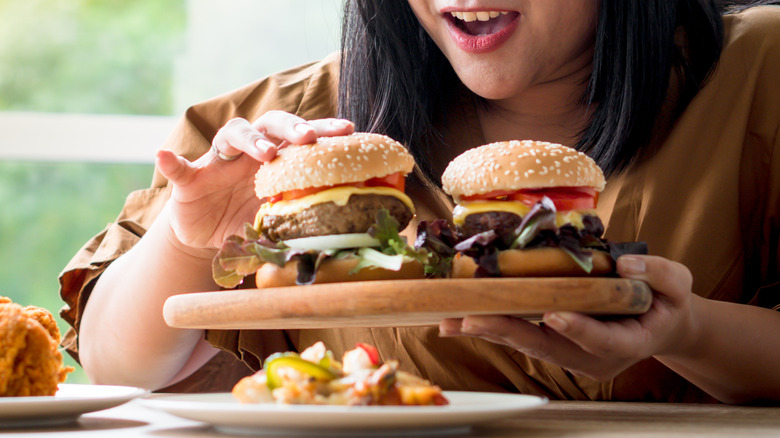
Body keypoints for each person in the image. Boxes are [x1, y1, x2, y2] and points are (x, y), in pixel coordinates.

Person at [59, 0, 780, 403]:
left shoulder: (762, 70)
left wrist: (687, 333)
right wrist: (189, 240)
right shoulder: (299, 120)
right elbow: (118, 365)